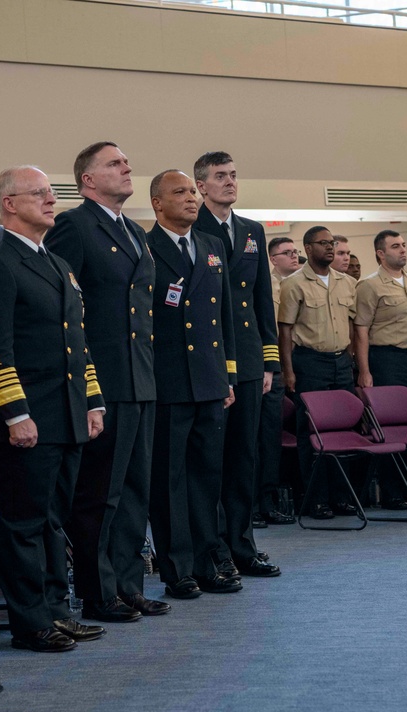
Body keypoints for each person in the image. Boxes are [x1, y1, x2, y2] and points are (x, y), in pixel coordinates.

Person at [0, 166, 106, 652]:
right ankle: (30, 622)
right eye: (40, 194)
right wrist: (14, 414)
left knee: (53, 520)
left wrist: (92, 402)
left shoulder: (57, 264)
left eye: (53, 193)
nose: (52, 201)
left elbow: (79, 344)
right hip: (28, 416)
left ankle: (55, 610)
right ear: (9, 203)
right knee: (24, 522)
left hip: (67, 413)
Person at [46, 142, 167, 622]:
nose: (127, 167)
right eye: (115, 163)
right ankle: (98, 592)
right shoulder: (74, 227)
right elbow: (65, 306)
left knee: (136, 488)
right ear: (88, 180)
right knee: (101, 491)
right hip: (104, 377)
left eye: (127, 162)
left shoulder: (134, 231)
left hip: (140, 376)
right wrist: (86, 382)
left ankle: (128, 584)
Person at [146, 169, 239, 599]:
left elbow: (224, 322)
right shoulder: (145, 247)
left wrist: (228, 376)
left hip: (209, 379)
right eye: (179, 192)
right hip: (167, 382)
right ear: (157, 204)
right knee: (170, 482)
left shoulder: (212, 245)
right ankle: (177, 568)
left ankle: (209, 561)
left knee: (207, 478)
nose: (191, 199)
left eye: (192, 192)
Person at [193, 151, 280, 579]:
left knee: (244, 456)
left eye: (233, 175)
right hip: (207, 359)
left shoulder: (251, 230)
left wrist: (269, 361)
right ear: (201, 186)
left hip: (246, 358)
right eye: (220, 177)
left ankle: (243, 545)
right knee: (210, 459)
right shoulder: (191, 227)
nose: (230, 182)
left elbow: (262, 296)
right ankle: (212, 549)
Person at [278, 227, 358, 519]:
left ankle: (342, 497)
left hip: (341, 363)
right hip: (309, 362)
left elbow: (352, 325)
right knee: (310, 433)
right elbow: (284, 331)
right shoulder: (294, 284)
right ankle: (316, 499)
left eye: (332, 243)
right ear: (308, 248)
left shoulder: (347, 283)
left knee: (342, 430)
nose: (329, 248)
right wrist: (288, 371)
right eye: (323, 243)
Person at [355, 230, 407, 509]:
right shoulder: (370, 286)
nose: (402, 250)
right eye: (395, 246)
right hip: (385, 358)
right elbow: (361, 329)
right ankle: (391, 491)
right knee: (391, 426)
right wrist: (364, 371)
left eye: (403, 245)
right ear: (380, 253)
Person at [257, 236, 302, 525]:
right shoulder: (266, 284)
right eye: (287, 253)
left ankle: (270, 500)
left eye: (296, 251)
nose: (294, 256)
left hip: (293, 364)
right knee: (254, 440)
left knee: (272, 439)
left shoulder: (303, 284)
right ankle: (252, 504)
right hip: (264, 365)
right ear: (272, 259)